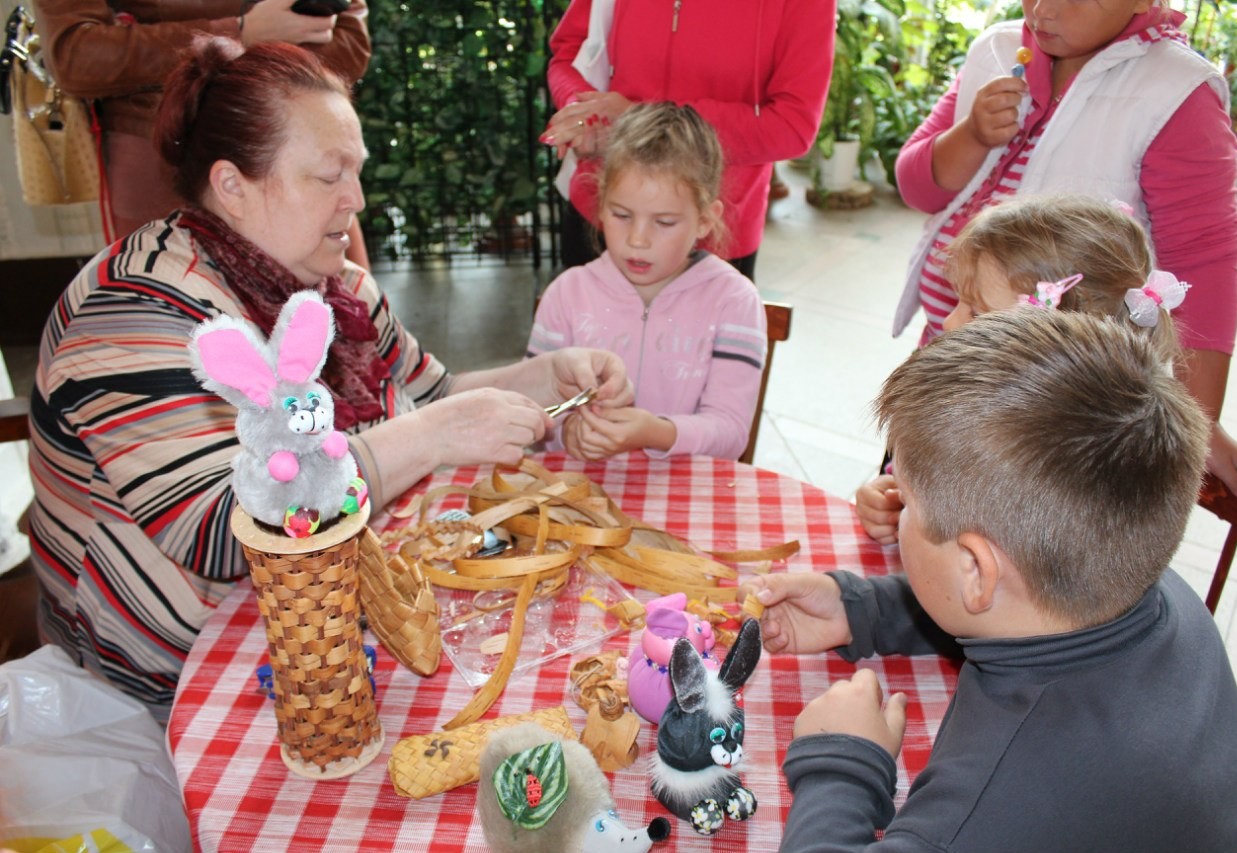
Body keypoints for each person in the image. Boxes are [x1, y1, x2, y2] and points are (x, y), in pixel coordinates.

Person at [25, 38, 630, 721]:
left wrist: (543, 376)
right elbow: (224, 533)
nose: (358, 199)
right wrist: (430, 439)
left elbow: (427, 395)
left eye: (358, 172)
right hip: (163, 685)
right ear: (233, 185)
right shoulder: (137, 316)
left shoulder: (330, 287)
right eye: (328, 175)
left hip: (323, 623)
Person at [747, 309, 1237, 852]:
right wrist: (858, 607)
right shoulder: (1141, 582)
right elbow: (1012, 597)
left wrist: (842, 759)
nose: (895, 506)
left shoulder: (1004, 791)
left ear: (975, 569)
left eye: (904, 498)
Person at [892, 0, 1237, 498]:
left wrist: (1194, 420)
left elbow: (1205, 263)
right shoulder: (997, 51)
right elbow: (918, 188)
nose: (1043, 9)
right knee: (919, 498)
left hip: (1048, 400)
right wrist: (973, 135)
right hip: (954, 354)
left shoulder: (1177, 94)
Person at [858, 194, 1183, 543]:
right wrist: (891, 495)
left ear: (1056, 344)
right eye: (959, 302)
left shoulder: (1074, 475)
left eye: (976, 312)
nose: (949, 323)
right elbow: (916, 480)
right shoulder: (965, 392)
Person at [33, 0, 372, 266]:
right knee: (183, 325)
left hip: (303, 148)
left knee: (344, 323)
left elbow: (351, 46)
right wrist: (239, 32)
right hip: (162, 157)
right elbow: (75, 55)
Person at [527, 103, 766, 461]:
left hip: (688, 499)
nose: (638, 239)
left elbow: (731, 433)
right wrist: (566, 430)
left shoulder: (734, 300)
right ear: (602, 204)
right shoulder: (566, 294)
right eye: (621, 215)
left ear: (704, 220)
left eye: (665, 222)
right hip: (578, 497)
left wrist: (655, 432)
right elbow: (533, 411)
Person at [543, 0, 836, 280]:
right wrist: (584, 115)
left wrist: (636, 120)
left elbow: (791, 126)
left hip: (712, 234)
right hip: (606, 214)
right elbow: (569, 54)